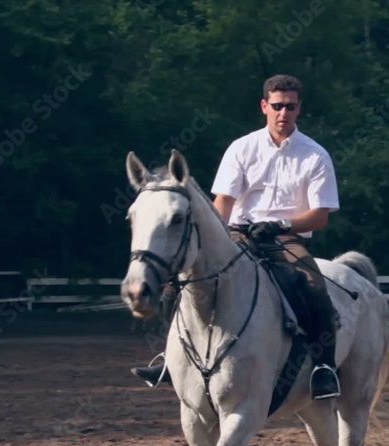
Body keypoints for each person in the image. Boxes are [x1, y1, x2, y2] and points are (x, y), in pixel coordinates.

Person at [132, 74, 343, 400]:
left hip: (284, 238)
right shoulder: (242, 148)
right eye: (277, 106)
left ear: (299, 108)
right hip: (237, 233)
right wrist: (218, 237)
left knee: (314, 285)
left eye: (290, 106)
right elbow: (224, 203)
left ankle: (324, 367)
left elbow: (320, 216)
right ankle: (169, 361)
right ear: (264, 106)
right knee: (179, 281)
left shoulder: (315, 155)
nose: (283, 113)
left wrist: (280, 224)